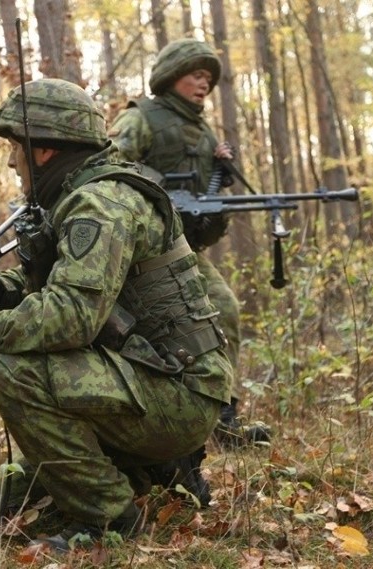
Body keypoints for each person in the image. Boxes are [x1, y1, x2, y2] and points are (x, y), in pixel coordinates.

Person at [0, 78, 233, 550]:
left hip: (180, 395)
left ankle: (108, 520)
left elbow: (71, 316)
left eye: (16, 147)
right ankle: (145, 471)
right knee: (1, 498)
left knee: (16, 374)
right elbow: (72, 281)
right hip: (161, 375)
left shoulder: (100, 204)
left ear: (43, 151)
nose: (13, 161)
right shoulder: (85, 194)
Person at [108, 38, 270, 447]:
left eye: (209, 79)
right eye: (196, 75)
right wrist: (159, 186)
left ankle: (222, 419)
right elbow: (107, 166)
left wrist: (218, 169)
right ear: (172, 75)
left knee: (224, 311)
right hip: (142, 249)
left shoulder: (202, 129)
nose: (204, 84)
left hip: (182, 248)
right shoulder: (140, 118)